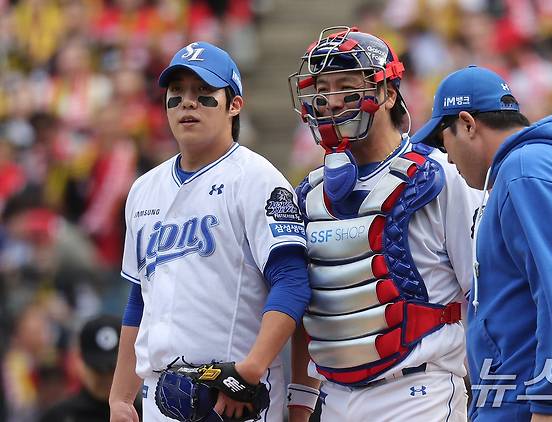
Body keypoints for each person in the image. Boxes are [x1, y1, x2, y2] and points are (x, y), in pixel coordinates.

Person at [411, 65, 552, 421]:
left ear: (467, 124)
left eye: (442, 140)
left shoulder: (525, 172)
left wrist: (549, 406)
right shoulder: (549, 165)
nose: (446, 157)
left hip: (539, 409)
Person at [109, 41, 311, 422]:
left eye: (204, 94)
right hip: (160, 395)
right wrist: (121, 396)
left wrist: (250, 369)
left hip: (232, 396)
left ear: (234, 104)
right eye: (177, 94)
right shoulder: (144, 189)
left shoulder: (258, 179)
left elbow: (292, 281)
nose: (188, 103)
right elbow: (140, 296)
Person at [286, 27, 480, 422]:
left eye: (347, 86)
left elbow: (482, 291)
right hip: (335, 398)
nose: (332, 102)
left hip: (418, 391)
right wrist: (301, 400)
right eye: (322, 89)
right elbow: (313, 308)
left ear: (388, 92)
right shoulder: (308, 192)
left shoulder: (441, 176)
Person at [40, 315, 140, 422]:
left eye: (113, 369)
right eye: (98, 369)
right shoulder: (59, 417)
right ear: (79, 362)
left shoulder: (147, 412)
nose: (106, 377)